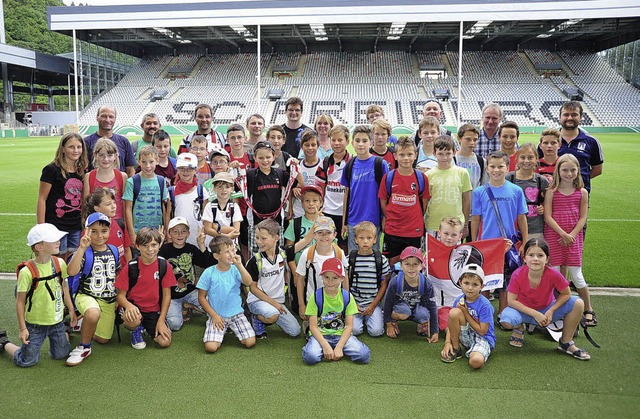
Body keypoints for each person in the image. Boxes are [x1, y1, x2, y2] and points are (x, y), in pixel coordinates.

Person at [498, 238, 590, 360]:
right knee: (506, 320)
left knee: (578, 303)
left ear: (547, 259)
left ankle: (566, 342)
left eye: (540, 255)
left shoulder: (553, 273)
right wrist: (535, 314)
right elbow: (511, 301)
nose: (535, 259)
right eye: (531, 255)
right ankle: (519, 328)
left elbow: (566, 294)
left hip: (546, 311)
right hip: (524, 311)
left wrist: (551, 310)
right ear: (524, 258)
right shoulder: (517, 274)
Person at [0, 224, 77, 367]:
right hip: (35, 324)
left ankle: (65, 329)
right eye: (53, 240)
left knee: (61, 354)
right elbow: (20, 302)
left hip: (56, 320)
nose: (59, 242)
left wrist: (71, 310)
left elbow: (64, 288)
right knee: (27, 361)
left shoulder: (60, 263)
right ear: (39, 247)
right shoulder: (27, 272)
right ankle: (4, 342)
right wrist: (23, 328)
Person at [471, 151, 528, 315]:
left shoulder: (516, 191)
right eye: (492, 166)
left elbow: (522, 218)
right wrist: (475, 242)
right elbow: (475, 219)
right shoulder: (479, 192)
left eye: (500, 166)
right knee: (484, 280)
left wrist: (525, 241)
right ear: (487, 168)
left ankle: (504, 312)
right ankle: (482, 313)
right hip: (487, 245)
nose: (496, 170)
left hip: (508, 244)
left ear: (508, 167)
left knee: (506, 281)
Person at [543, 154, 596, 327]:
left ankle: (588, 309)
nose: (569, 173)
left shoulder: (582, 192)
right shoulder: (551, 192)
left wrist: (571, 234)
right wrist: (562, 234)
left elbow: (583, 218)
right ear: (558, 170)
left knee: (577, 275)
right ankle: (555, 309)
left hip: (574, 238)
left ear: (578, 171)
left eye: (573, 170)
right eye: (565, 170)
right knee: (555, 273)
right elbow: (548, 217)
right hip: (554, 236)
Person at [65, 212, 119, 366]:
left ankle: (85, 324)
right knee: (93, 312)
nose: (99, 235)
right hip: (87, 295)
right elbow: (71, 272)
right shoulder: (84, 252)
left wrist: (118, 298)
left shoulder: (114, 250)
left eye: (103, 231)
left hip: (108, 299)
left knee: (104, 339)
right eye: (93, 231)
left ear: (109, 231)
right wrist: (82, 248)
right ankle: (84, 347)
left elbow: (116, 275)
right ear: (86, 231)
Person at [301, 257, 371, 365]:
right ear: (321, 277)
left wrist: (339, 346)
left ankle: (336, 350)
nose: (330, 282)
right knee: (310, 357)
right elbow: (313, 327)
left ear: (342, 278)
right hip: (321, 335)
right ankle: (323, 347)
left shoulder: (347, 297)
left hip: (341, 334)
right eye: (326, 277)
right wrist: (325, 345)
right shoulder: (315, 297)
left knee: (364, 355)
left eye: (335, 278)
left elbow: (349, 326)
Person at [115, 227, 176, 350]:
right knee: (133, 319)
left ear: (160, 245)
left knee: (164, 342)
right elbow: (120, 296)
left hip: (154, 310)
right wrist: (129, 306)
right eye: (145, 245)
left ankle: (149, 326)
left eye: (154, 245)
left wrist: (161, 320)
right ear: (137, 246)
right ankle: (135, 330)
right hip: (135, 308)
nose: (150, 249)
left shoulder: (164, 265)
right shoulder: (131, 266)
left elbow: (167, 295)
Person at [197, 236, 256, 353]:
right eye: (227, 251)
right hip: (217, 315)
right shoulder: (208, 272)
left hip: (236, 314)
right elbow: (201, 297)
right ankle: (221, 330)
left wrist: (240, 265)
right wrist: (214, 316)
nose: (232, 254)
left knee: (250, 342)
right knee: (211, 347)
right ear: (216, 256)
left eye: (233, 250)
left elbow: (249, 282)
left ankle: (231, 328)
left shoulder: (236, 269)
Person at [378, 136, 430, 266]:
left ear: (415, 155)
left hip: (414, 230)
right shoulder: (389, 177)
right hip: (393, 230)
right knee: (393, 264)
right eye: (401, 154)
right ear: (395, 156)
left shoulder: (421, 178)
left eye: (409, 154)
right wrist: (390, 217)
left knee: (413, 263)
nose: (406, 158)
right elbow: (383, 202)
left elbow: (424, 203)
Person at [246, 219, 301, 339]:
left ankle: (268, 313)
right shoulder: (255, 260)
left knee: (295, 331)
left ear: (276, 238)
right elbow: (253, 288)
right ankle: (255, 318)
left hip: (277, 302)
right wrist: (274, 303)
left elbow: (304, 242)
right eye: (257, 238)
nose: (259, 242)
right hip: (257, 300)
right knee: (273, 315)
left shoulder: (283, 253)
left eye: (263, 238)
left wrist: (317, 224)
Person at [37, 132, 88, 261]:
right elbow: (42, 199)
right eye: (71, 147)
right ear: (63, 149)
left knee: (72, 258)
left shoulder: (83, 171)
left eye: (79, 147)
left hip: (75, 225)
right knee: (56, 258)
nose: (76, 150)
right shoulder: (51, 170)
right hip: (56, 225)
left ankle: (69, 281)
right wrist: (41, 227)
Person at [159, 217, 213, 331]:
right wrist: (158, 246)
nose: (180, 234)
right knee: (174, 324)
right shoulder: (164, 250)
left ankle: (188, 305)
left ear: (188, 233)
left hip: (190, 291)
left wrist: (201, 245)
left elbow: (206, 263)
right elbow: (153, 265)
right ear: (169, 234)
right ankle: (183, 306)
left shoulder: (191, 249)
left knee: (213, 307)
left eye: (183, 231)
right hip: (171, 295)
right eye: (175, 231)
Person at [341, 125, 388, 253]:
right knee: (354, 260)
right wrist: (344, 222)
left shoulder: (380, 164)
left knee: (373, 260)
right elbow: (346, 195)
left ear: (371, 143)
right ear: (352, 143)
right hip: (353, 222)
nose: (361, 144)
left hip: (373, 221)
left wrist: (384, 218)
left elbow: (385, 195)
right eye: (357, 141)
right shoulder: (349, 165)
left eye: (364, 141)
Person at [440, 264, 496, 369]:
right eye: (466, 283)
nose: (470, 288)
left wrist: (465, 313)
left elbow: (482, 331)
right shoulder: (459, 299)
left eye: (475, 284)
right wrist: (447, 342)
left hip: (482, 338)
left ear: (482, 286)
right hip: (465, 334)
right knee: (454, 312)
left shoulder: (485, 305)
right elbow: (451, 321)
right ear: (460, 283)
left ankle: (477, 351)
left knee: (475, 362)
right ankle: (456, 349)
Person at [245, 141, 296, 254]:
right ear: (255, 158)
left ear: (274, 156)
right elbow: (235, 186)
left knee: (277, 253)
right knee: (256, 255)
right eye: (261, 157)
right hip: (256, 223)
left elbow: (297, 182)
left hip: (276, 222)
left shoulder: (279, 173)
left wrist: (295, 166)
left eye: (268, 157)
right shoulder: (251, 174)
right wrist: (232, 168)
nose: (265, 160)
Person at [295, 216, 347, 322]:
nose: (324, 236)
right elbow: (300, 279)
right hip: (313, 301)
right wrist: (301, 305)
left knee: (336, 330)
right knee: (315, 331)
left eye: (328, 232)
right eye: (320, 233)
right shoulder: (307, 254)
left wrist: (346, 301)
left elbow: (345, 277)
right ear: (314, 235)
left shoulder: (339, 253)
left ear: (334, 235)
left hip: (335, 301)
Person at [383, 247, 438, 342]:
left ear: (421, 266)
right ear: (401, 265)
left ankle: (422, 324)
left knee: (424, 315)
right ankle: (393, 321)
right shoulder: (395, 281)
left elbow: (432, 307)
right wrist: (388, 324)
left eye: (415, 264)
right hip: (401, 308)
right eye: (407, 264)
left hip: (417, 308)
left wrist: (435, 331)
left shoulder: (426, 283)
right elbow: (387, 303)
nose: (411, 268)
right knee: (404, 311)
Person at [347, 221, 391, 337]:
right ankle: (361, 318)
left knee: (376, 332)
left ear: (375, 239)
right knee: (355, 331)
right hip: (355, 303)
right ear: (355, 239)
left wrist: (373, 305)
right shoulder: (349, 259)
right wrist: (353, 304)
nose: (365, 241)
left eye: (369, 238)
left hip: (373, 303)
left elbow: (383, 284)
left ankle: (372, 316)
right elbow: (345, 285)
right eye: (361, 238)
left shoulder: (381, 260)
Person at [425, 135, 472, 238]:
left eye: (448, 153)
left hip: (456, 226)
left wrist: (465, 225)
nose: (444, 157)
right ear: (434, 153)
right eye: (440, 154)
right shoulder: (428, 175)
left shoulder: (462, 173)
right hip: (434, 224)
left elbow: (466, 200)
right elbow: (425, 201)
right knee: (433, 254)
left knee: (453, 253)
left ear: (454, 152)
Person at [123, 146, 171, 245]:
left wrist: (165, 230)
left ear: (157, 161)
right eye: (144, 162)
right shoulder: (132, 181)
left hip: (157, 234)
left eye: (151, 162)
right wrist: (132, 234)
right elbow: (128, 208)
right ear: (139, 161)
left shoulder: (161, 181)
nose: (148, 166)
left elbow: (163, 207)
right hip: (138, 233)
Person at [316, 125, 351, 251]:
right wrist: (320, 208)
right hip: (328, 212)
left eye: (340, 140)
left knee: (344, 245)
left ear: (347, 141)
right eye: (333, 140)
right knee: (327, 244)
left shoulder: (352, 162)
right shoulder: (324, 162)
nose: (336, 143)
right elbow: (320, 187)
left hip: (346, 213)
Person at [556, 101, 604, 194]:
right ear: (560, 117)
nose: (570, 118)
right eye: (566, 115)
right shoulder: (549, 141)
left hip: (580, 195)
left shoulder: (591, 141)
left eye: (574, 114)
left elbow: (597, 169)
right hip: (554, 194)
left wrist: (577, 180)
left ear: (581, 116)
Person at [506, 143, 549, 240]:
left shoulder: (541, 180)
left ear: (536, 159)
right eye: (522, 157)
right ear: (517, 159)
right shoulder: (509, 178)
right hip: (513, 230)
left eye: (530, 157)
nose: (526, 161)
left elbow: (550, 203)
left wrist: (543, 208)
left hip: (535, 229)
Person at [431, 216, 465, 332]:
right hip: (442, 305)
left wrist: (501, 251)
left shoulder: (466, 254)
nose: (449, 238)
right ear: (439, 233)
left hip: (462, 303)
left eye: (454, 235)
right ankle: (451, 343)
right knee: (451, 328)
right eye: (446, 233)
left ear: (460, 236)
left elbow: (486, 259)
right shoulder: (430, 253)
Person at [83, 137, 128, 223]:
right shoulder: (89, 177)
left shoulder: (122, 176)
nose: (106, 159)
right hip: (96, 222)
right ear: (95, 155)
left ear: (115, 155)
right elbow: (86, 205)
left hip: (118, 221)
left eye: (109, 155)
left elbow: (125, 204)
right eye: (101, 155)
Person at [83, 105, 136, 176]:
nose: (107, 120)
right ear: (97, 117)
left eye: (111, 117)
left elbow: (130, 170)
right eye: (104, 116)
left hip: (119, 185)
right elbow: (83, 169)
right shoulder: (86, 142)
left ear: (115, 119)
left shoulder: (124, 141)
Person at [85, 187, 132, 267]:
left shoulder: (120, 224)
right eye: (108, 204)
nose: (113, 206)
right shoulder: (90, 230)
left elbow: (127, 250)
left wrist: (129, 271)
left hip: (121, 276)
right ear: (97, 209)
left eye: (114, 202)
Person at [173, 152, 209, 246]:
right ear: (177, 170)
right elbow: (168, 215)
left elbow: (206, 216)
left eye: (190, 169)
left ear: (195, 170)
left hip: (198, 238)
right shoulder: (171, 192)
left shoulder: (201, 190)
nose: (186, 172)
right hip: (178, 239)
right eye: (182, 169)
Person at [202, 172, 242, 251]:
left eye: (227, 187)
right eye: (220, 187)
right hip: (213, 248)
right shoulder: (209, 206)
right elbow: (208, 229)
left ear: (232, 189)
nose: (223, 190)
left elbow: (236, 230)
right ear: (214, 189)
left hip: (230, 248)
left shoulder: (234, 207)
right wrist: (228, 236)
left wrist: (217, 227)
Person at [291, 129, 321, 218]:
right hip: (299, 211)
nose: (310, 148)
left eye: (313, 145)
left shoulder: (323, 165)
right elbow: (291, 187)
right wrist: (294, 189)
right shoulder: (297, 166)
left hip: (316, 211)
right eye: (307, 145)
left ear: (318, 146)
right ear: (301, 146)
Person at [454, 124, 486, 189]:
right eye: (468, 139)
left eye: (475, 140)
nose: (472, 143)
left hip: (475, 198)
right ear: (459, 138)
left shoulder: (481, 161)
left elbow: (485, 185)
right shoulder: (452, 160)